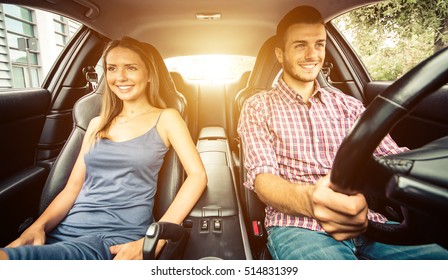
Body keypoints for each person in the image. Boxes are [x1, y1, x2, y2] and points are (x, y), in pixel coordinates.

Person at [237, 6, 448, 260]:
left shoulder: (347, 104)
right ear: (280, 55)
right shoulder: (258, 106)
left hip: (367, 221)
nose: (312, 55)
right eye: (300, 45)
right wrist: (310, 200)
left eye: (319, 44)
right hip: (299, 228)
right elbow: (263, 179)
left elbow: (395, 156)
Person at [0, 36, 207, 260]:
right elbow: (72, 189)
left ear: (149, 74)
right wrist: (38, 227)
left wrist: (156, 238)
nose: (120, 77)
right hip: (64, 233)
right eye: (112, 68)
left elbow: (197, 176)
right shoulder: (96, 124)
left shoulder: (167, 118)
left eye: (131, 67)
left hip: (113, 239)